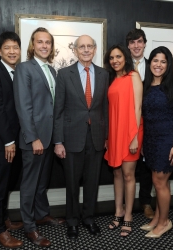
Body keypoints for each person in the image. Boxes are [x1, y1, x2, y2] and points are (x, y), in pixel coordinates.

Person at [53, 35, 109, 240]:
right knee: (72, 183)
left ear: (95, 49)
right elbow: (58, 110)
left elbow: (105, 109)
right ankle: (72, 221)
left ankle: (89, 218)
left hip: (96, 137)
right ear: (75, 50)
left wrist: (107, 137)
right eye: (81, 47)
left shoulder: (104, 74)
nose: (86, 50)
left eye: (89, 46)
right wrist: (58, 141)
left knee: (92, 182)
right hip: (71, 138)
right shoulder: (64, 74)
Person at [13, 27, 63, 248]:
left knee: (43, 181)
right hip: (34, 138)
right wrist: (33, 138)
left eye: (48, 42)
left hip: (49, 136)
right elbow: (24, 107)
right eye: (40, 42)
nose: (44, 46)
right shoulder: (24, 68)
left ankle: (42, 214)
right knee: (30, 184)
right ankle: (30, 226)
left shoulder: (52, 71)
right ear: (33, 45)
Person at [140, 46, 173, 238]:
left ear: (168, 64)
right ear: (150, 62)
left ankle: (164, 222)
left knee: (159, 182)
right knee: (159, 182)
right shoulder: (146, 85)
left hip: (167, 140)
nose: (158, 65)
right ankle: (158, 217)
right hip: (150, 140)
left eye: (163, 61)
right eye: (155, 60)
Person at [0, 31, 24, 248]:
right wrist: (8, 141)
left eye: (15, 48)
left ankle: (3, 219)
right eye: (7, 48)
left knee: (9, 182)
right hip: (2, 141)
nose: (12, 51)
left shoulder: (19, 72)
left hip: (17, 140)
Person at [104, 44, 143, 237]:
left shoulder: (133, 76)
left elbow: (138, 108)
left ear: (125, 57)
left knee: (128, 175)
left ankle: (128, 215)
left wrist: (134, 136)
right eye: (111, 58)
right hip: (114, 133)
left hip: (130, 132)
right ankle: (118, 211)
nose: (115, 61)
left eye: (118, 56)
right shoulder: (111, 79)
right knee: (117, 174)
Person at [126, 28, 154, 219]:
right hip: (126, 121)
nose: (136, 45)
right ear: (128, 46)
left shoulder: (154, 66)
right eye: (132, 42)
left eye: (139, 41)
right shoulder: (122, 66)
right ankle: (124, 205)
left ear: (144, 44)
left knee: (146, 164)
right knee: (126, 165)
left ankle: (145, 202)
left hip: (149, 122)